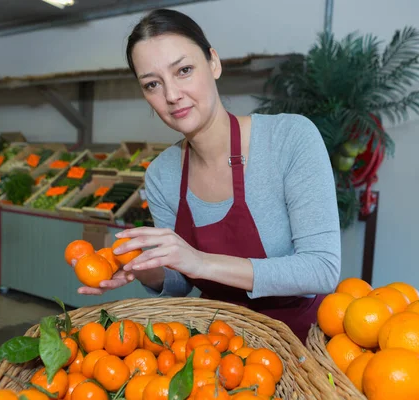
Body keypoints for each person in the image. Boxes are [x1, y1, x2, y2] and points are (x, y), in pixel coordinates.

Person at [77, 8, 341, 343]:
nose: (171, 95)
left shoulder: (288, 139)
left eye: (184, 70)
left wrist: (201, 262)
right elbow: (180, 281)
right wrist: (145, 268)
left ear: (213, 62)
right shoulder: (162, 174)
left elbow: (321, 269)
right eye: (153, 84)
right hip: (216, 345)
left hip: (298, 341)